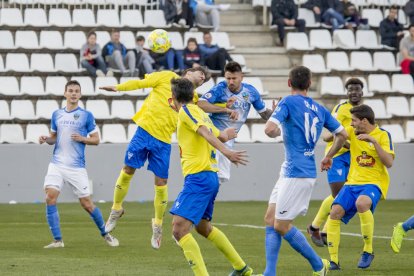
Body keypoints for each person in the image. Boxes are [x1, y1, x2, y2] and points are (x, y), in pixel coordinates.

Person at [99, 67, 208, 250]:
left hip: (164, 142)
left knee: (161, 182)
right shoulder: (166, 76)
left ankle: (157, 225)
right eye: (201, 74)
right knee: (127, 169)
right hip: (144, 132)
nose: (203, 77)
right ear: (188, 72)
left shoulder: (192, 97)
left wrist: (225, 108)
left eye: (205, 79)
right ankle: (116, 208)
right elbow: (141, 83)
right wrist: (118, 88)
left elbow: (202, 109)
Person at [263, 66, 348, 275]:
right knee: (270, 219)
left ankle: (319, 266)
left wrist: (277, 119)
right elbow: (342, 135)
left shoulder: (287, 102)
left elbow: (269, 130)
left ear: (289, 83)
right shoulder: (319, 108)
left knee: (281, 225)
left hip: (297, 173)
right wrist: (328, 156)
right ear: (309, 85)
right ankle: (269, 272)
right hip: (292, 170)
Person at [169, 77, 254, 276]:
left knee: (179, 229)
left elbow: (207, 134)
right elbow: (218, 135)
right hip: (209, 176)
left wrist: (228, 152)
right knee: (203, 227)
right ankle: (241, 267)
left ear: (174, 97)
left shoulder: (187, 111)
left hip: (199, 176)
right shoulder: (200, 113)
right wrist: (227, 134)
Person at [39, 80, 119, 249]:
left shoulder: (86, 115)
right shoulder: (57, 114)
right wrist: (46, 139)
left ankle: (106, 234)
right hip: (57, 164)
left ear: (80, 95)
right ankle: (57, 240)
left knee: (87, 204)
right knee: (50, 197)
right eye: (70, 90)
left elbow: (96, 140)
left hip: (76, 167)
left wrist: (83, 139)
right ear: (65, 93)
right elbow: (54, 137)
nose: (74, 93)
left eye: (76, 91)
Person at [322, 104, 395, 270]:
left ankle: (368, 251)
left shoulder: (383, 135)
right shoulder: (352, 132)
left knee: (361, 204)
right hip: (352, 182)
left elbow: (389, 163)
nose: (352, 123)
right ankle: (334, 261)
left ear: (364, 120)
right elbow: (335, 137)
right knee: (335, 212)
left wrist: (373, 141)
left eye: (354, 121)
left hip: (374, 183)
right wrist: (329, 155)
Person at [307, 78, 363, 247]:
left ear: (362, 91)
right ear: (346, 92)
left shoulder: (364, 112)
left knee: (341, 195)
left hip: (353, 158)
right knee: (339, 196)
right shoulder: (341, 108)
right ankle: (319, 228)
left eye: (357, 89)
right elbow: (333, 133)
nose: (353, 92)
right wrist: (348, 143)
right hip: (337, 156)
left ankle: (317, 227)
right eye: (350, 89)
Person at [198, 61, 275, 184]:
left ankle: (205, 203)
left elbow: (264, 114)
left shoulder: (251, 92)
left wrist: (276, 114)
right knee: (208, 179)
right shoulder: (220, 89)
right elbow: (201, 104)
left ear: (241, 77)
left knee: (219, 181)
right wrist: (225, 109)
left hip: (228, 141)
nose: (231, 82)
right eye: (228, 78)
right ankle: (198, 202)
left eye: (234, 78)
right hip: (213, 138)